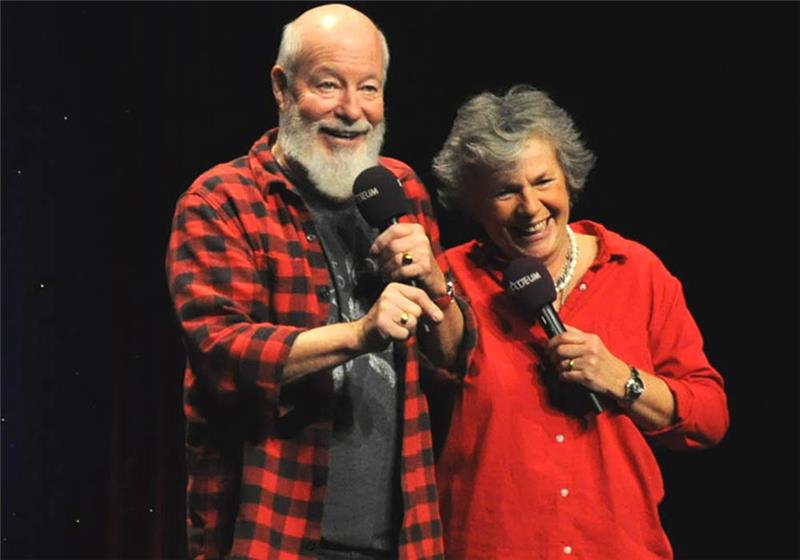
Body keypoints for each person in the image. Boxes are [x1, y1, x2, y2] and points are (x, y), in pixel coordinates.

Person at [165, 5, 473, 559]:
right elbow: (225, 355)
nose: (352, 112)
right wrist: (359, 334)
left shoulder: (399, 188)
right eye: (329, 86)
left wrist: (437, 283)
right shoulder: (220, 202)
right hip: (277, 536)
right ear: (282, 88)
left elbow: (450, 361)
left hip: (406, 537)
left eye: (370, 89)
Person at [429, 85, 729, 559]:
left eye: (543, 181)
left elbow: (709, 418)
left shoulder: (637, 270)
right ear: (473, 205)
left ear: (568, 178)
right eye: (507, 191)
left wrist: (622, 379)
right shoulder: (449, 280)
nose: (531, 207)